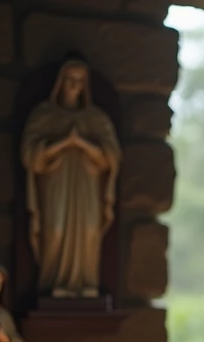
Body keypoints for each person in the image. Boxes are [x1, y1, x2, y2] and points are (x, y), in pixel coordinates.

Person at [21, 56, 122, 299]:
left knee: (89, 231)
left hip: (88, 186)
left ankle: (85, 283)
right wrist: (63, 143)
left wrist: (83, 144)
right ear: (60, 82)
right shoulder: (44, 115)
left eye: (79, 81)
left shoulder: (97, 119)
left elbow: (112, 157)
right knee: (54, 230)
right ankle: (52, 283)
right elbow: (29, 155)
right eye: (69, 80)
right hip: (55, 183)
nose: (74, 86)